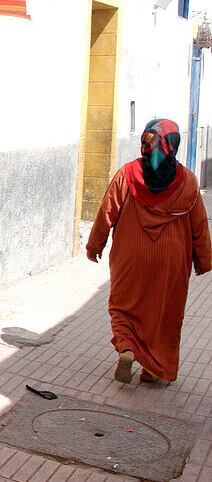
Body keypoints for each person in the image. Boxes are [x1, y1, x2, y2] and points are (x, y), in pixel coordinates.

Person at [86, 118, 211, 384]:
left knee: (123, 308)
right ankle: (154, 369)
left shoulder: (128, 173)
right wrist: (204, 260)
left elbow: (108, 211)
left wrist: (94, 245)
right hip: (171, 261)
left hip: (131, 256)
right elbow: (199, 224)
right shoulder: (188, 181)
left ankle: (128, 349)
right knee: (163, 313)